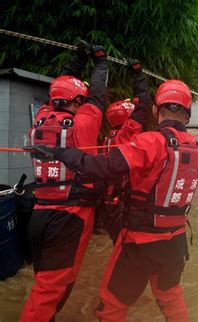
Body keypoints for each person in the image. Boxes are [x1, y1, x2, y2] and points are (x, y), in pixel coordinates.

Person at [29, 79, 198, 322]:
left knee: (112, 305)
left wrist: (62, 152)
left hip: (139, 241)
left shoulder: (150, 142)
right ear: (187, 116)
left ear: (157, 110)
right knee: (171, 297)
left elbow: (101, 168)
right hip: (175, 241)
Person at [20, 43, 108, 321]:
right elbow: (97, 95)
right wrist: (101, 62)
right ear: (78, 101)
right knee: (49, 291)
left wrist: (78, 60)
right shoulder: (83, 124)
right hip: (69, 218)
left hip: (38, 215)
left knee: (44, 285)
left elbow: (59, 89)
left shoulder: (40, 120)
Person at [94, 59, 151, 241]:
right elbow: (144, 104)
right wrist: (137, 74)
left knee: (119, 245)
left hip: (108, 204)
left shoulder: (105, 140)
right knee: (128, 248)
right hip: (123, 205)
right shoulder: (127, 134)